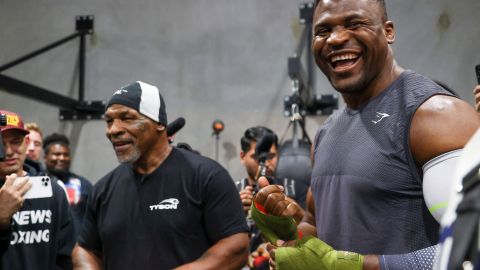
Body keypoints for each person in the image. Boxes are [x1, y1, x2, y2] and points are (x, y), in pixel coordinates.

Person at [251, 0, 480, 269]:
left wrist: (353, 266)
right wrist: (291, 235)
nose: (336, 39)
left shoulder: (437, 116)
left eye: (354, 24)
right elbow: (316, 226)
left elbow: (472, 248)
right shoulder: (326, 133)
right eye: (323, 31)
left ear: (388, 31)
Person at [72, 81, 249, 270]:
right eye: (109, 121)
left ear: (158, 123)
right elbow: (84, 249)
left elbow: (236, 246)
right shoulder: (103, 190)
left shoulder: (206, 176)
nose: (113, 130)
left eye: (127, 117)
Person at [0, 110, 75, 269]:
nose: (8, 151)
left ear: (26, 142)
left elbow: (65, 255)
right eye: (1, 144)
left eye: (15, 142)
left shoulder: (52, 190)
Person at [43, 133, 93, 239]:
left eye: (66, 155)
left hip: (76, 248)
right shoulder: (37, 185)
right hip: (46, 248)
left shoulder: (83, 185)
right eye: (56, 154)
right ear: (45, 157)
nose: (61, 158)